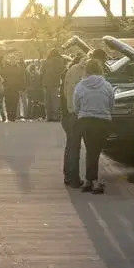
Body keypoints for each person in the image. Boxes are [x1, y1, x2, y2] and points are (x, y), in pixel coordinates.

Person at [73, 58, 115, 194]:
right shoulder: (107, 85)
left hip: (85, 121)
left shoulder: (80, 85)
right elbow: (111, 104)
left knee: (91, 150)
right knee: (95, 151)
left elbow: (75, 106)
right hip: (102, 121)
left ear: (87, 70)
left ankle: (88, 181)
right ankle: (94, 182)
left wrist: (82, 113)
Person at [61, 53, 86, 187]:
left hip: (69, 113)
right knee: (74, 147)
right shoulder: (77, 72)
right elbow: (71, 93)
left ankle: (69, 176)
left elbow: (66, 92)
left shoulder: (69, 72)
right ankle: (73, 178)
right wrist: (73, 110)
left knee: (71, 146)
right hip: (74, 114)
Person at [41, 48, 67, 122]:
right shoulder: (61, 61)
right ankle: (56, 116)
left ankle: (49, 116)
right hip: (56, 83)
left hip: (46, 83)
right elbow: (63, 70)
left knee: (48, 100)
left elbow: (41, 71)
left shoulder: (46, 61)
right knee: (55, 100)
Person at [2, 56, 26, 122]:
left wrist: (22, 87)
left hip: (15, 87)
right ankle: (10, 115)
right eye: (11, 60)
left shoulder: (18, 68)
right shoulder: (6, 68)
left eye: (14, 60)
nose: (13, 61)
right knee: (8, 102)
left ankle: (13, 116)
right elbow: (2, 76)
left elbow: (22, 78)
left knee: (14, 102)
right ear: (10, 61)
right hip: (8, 88)